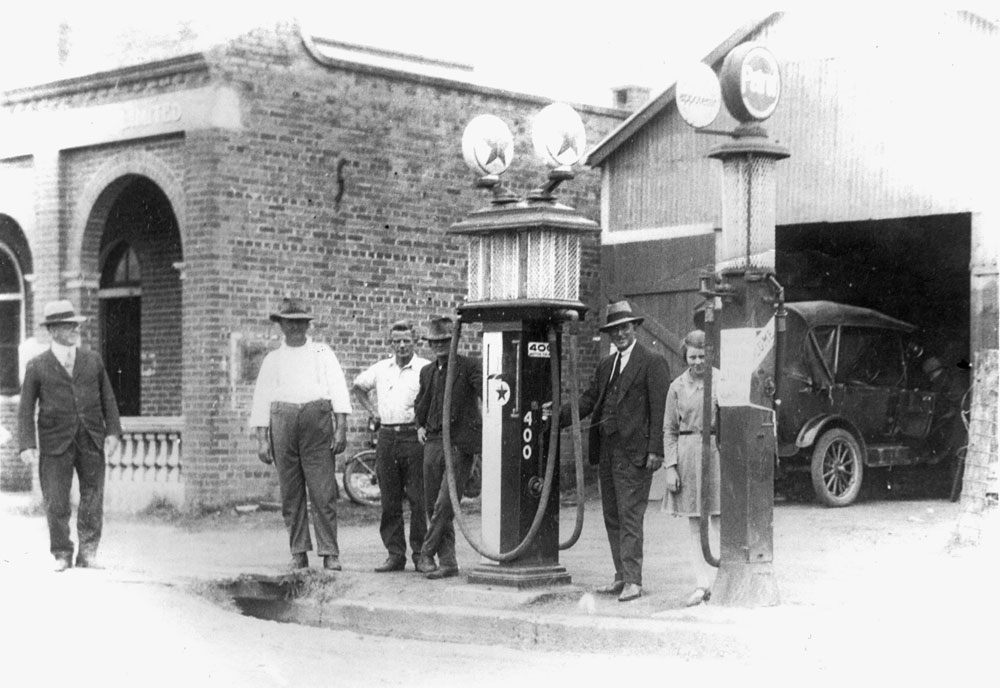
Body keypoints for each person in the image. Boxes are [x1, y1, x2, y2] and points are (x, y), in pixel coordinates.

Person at [559, 300, 670, 602]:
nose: (620, 333)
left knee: (630, 515)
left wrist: (655, 450)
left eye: (624, 327)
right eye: (614, 329)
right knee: (611, 515)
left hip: (634, 453)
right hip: (607, 450)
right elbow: (587, 401)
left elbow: (660, 409)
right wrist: (555, 417)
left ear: (634, 328)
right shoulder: (607, 366)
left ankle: (634, 580)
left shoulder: (652, 361)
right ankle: (621, 576)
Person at [18, 299, 122, 572]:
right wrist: (27, 444)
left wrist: (113, 432)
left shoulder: (92, 361)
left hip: (91, 438)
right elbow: (26, 408)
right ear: (53, 331)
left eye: (76, 324)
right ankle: (62, 553)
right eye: (68, 325)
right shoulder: (37, 365)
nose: (75, 329)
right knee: (56, 499)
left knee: (93, 496)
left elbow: (108, 399)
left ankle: (88, 553)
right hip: (55, 442)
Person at [249, 298, 352, 571]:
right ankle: (298, 552)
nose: (295, 327)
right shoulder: (272, 359)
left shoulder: (322, 352)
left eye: (300, 322)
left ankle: (330, 551)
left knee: (323, 489)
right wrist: (262, 439)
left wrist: (340, 427)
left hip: (316, 422)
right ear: (281, 325)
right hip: (282, 422)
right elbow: (261, 400)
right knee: (290, 492)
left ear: (307, 325)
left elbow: (339, 389)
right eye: (289, 322)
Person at [351, 320, 430, 572]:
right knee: (390, 499)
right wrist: (372, 412)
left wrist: (424, 423)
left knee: (419, 498)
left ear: (415, 341)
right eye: (397, 341)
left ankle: (421, 554)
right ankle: (395, 554)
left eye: (406, 340)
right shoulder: (381, 368)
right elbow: (358, 387)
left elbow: (435, 400)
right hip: (386, 436)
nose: (402, 345)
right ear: (390, 343)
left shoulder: (425, 368)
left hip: (413, 437)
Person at [413, 316, 482, 579]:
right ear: (430, 345)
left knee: (445, 503)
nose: (440, 346)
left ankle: (426, 552)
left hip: (458, 444)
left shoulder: (469, 367)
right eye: (435, 342)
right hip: (432, 441)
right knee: (433, 504)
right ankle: (449, 561)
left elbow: (486, 393)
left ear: (454, 341)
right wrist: (419, 425)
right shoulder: (427, 371)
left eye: (445, 341)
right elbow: (421, 402)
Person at [662, 329, 721, 607]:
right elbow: (669, 430)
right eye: (692, 357)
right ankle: (701, 584)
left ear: (710, 354)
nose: (697, 362)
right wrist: (670, 467)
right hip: (687, 455)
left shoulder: (720, 380)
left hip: (715, 453)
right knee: (695, 522)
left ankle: (722, 580)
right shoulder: (677, 386)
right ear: (685, 356)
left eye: (702, 356)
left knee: (719, 518)